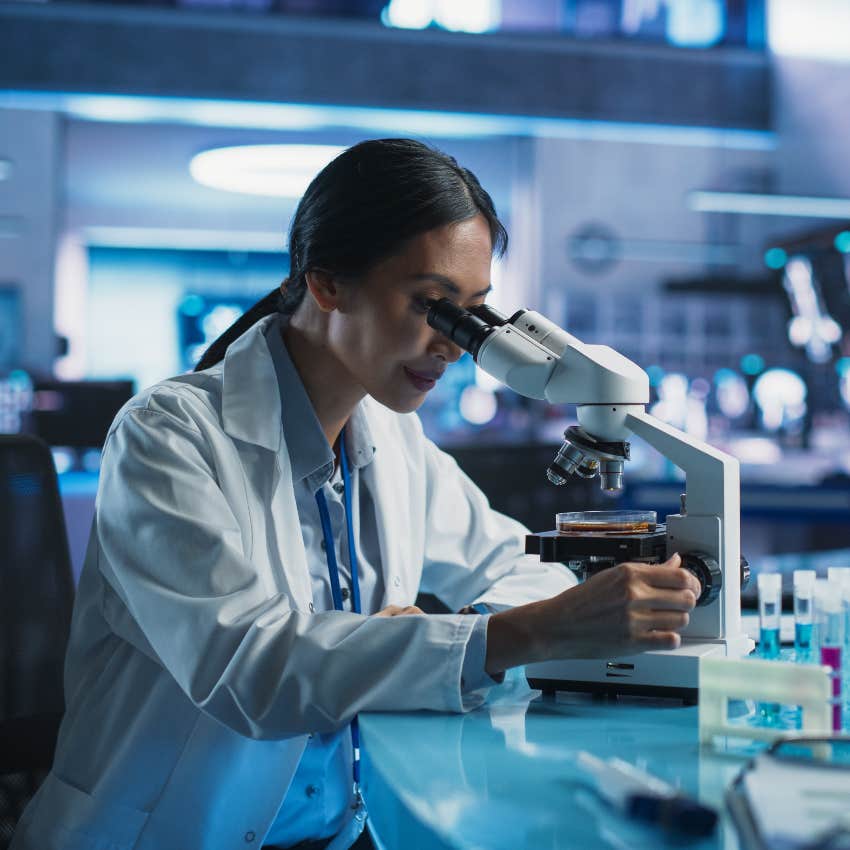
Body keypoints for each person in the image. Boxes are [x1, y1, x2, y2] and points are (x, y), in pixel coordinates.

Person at [12, 138, 699, 850]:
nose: (456, 345)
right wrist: (506, 635)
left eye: (475, 312)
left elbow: (521, 567)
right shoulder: (169, 437)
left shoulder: (393, 439)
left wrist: (455, 626)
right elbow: (250, 666)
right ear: (328, 283)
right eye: (434, 305)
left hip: (338, 835)